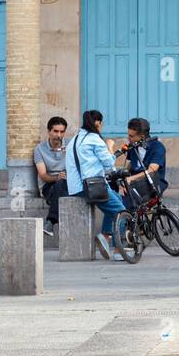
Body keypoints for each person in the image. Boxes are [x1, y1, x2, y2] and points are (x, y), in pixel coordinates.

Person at [64, 110, 128, 261]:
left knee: (116, 198)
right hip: (93, 187)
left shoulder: (74, 139)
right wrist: (110, 146)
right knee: (122, 212)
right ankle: (119, 251)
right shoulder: (94, 139)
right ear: (98, 123)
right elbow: (109, 163)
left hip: (76, 188)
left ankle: (105, 237)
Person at [117, 117, 168, 210]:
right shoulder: (133, 147)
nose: (128, 138)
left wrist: (131, 179)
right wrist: (123, 179)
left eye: (131, 136)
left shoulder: (158, 147)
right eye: (128, 135)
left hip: (152, 185)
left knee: (126, 205)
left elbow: (152, 170)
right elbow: (132, 164)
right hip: (136, 184)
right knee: (118, 198)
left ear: (142, 137)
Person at [33, 117, 69, 238]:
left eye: (62, 132)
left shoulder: (70, 146)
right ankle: (51, 221)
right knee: (60, 184)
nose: (58, 135)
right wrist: (57, 177)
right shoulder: (39, 149)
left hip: (68, 184)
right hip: (49, 185)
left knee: (64, 183)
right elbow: (43, 175)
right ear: (48, 131)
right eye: (55, 131)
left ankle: (51, 222)